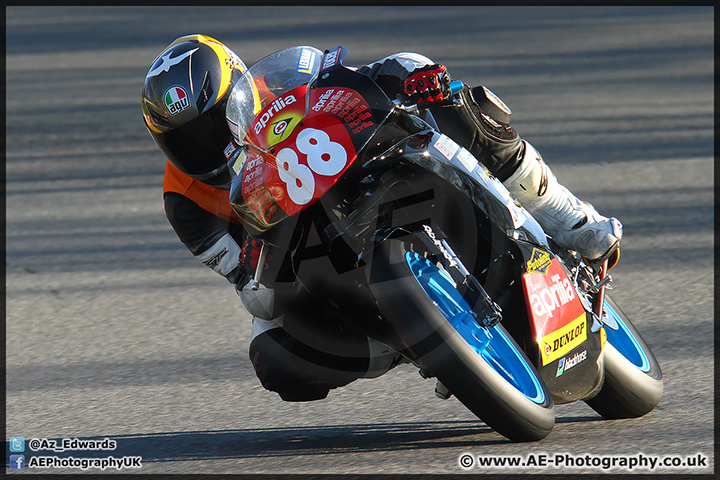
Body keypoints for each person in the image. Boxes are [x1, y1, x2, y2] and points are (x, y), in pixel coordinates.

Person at [142, 37, 622, 402]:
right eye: (186, 140)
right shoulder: (184, 200)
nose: (209, 145)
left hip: (374, 169)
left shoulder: (276, 88)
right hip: (310, 258)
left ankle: (570, 218)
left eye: (214, 121)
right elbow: (251, 291)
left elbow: (370, 75)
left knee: (459, 109)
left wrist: (414, 75)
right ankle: (415, 343)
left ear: (237, 87)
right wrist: (253, 265)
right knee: (275, 357)